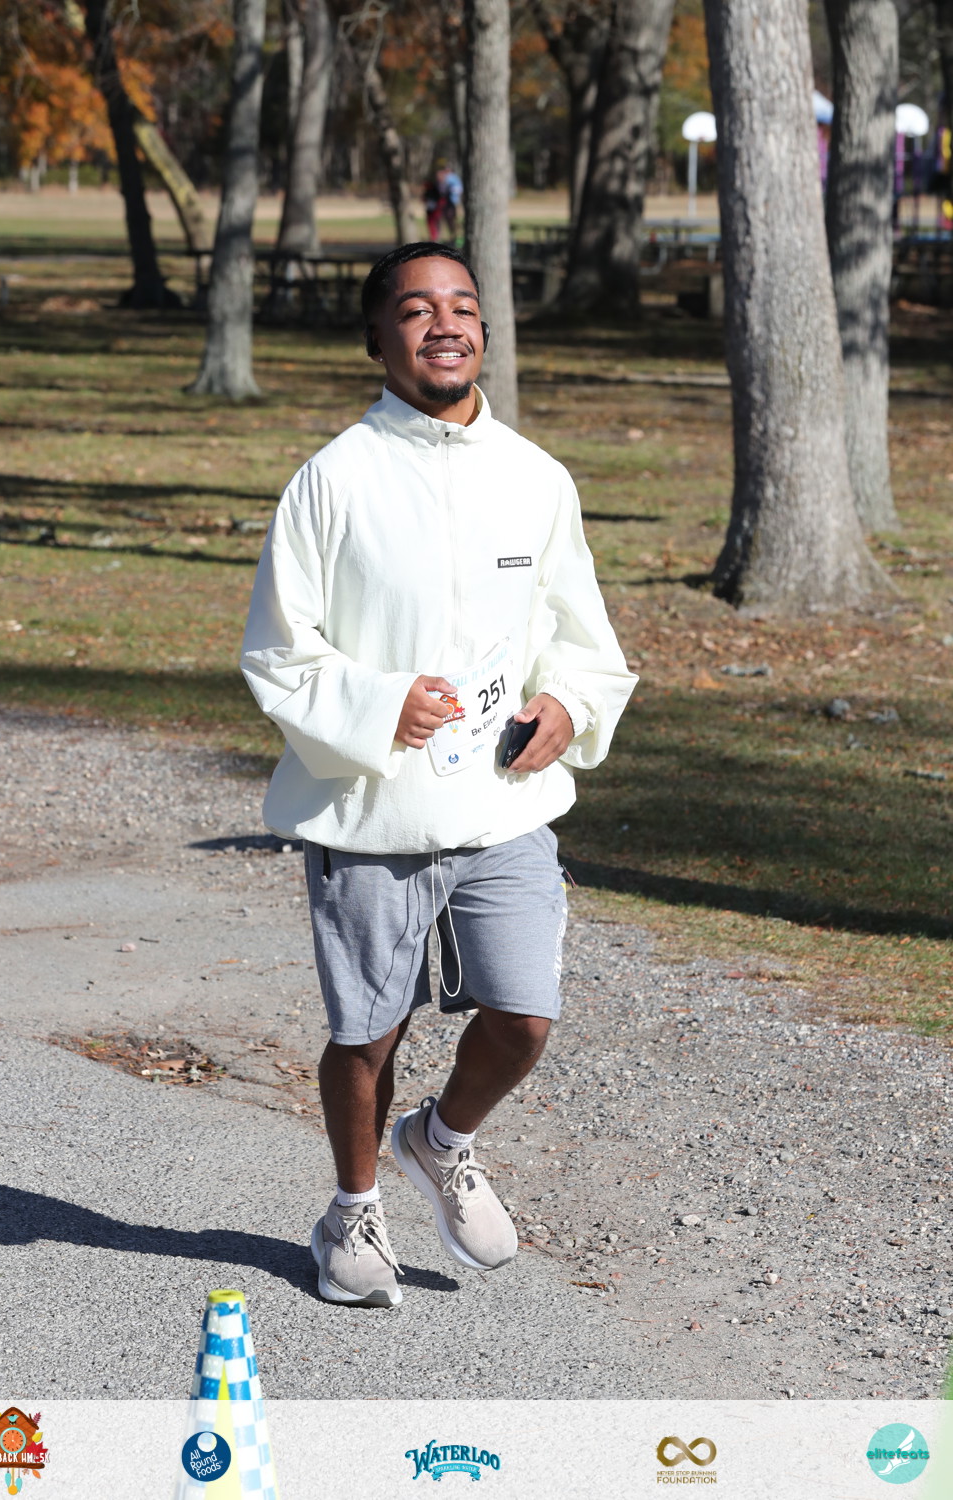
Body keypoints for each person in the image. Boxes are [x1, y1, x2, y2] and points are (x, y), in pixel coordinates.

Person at [241, 242, 637, 1309]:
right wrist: (379, 706)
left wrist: (569, 707)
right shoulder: (332, 481)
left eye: (462, 306)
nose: (445, 323)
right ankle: (352, 1210)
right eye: (416, 310)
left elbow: (585, 643)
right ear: (377, 338)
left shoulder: (536, 479)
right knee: (369, 1032)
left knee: (525, 1017)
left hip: (505, 806)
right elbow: (278, 652)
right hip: (374, 809)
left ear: (484, 332)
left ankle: (442, 1139)